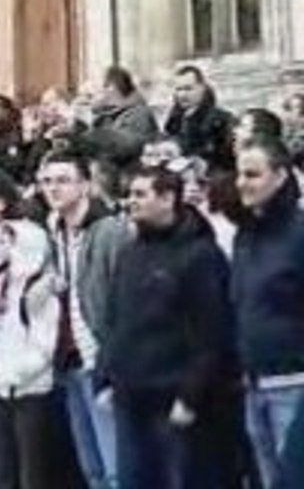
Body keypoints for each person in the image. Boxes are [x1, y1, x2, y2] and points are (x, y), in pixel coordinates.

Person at [97, 166, 234, 489]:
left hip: (176, 403)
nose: (132, 202)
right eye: (130, 194)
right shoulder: (130, 254)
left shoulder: (200, 254)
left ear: (168, 198)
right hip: (130, 397)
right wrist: (105, 375)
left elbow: (212, 331)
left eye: (141, 194)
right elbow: (115, 319)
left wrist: (191, 396)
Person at [39, 151, 130, 489]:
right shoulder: (54, 232)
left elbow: (123, 300)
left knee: (115, 465)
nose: (53, 188)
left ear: (86, 185)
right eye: (47, 181)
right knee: (91, 466)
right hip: (68, 359)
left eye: (63, 180)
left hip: (101, 358)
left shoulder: (109, 232)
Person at [0, 171, 60, 489]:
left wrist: (14, 370)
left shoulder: (28, 245)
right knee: (0, 471)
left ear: (0, 203)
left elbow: (34, 320)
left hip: (28, 378)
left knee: (32, 473)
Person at [232, 138, 304, 486]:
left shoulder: (300, 232)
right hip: (252, 381)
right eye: (239, 174)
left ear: (280, 175)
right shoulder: (245, 236)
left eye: (253, 174)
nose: (242, 182)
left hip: (294, 382)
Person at [81, 67, 158, 168]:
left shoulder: (139, 113)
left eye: (89, 96)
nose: (84, 100)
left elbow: (128, 146)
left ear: (111, 88)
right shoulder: (105, 115)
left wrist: (87, 134)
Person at [164, 66, 235, 172]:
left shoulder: (220, 120)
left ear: (202, 87)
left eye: (188, 89)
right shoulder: (174, 118)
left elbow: (223, 158)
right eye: (178, 89)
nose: (182, 95)